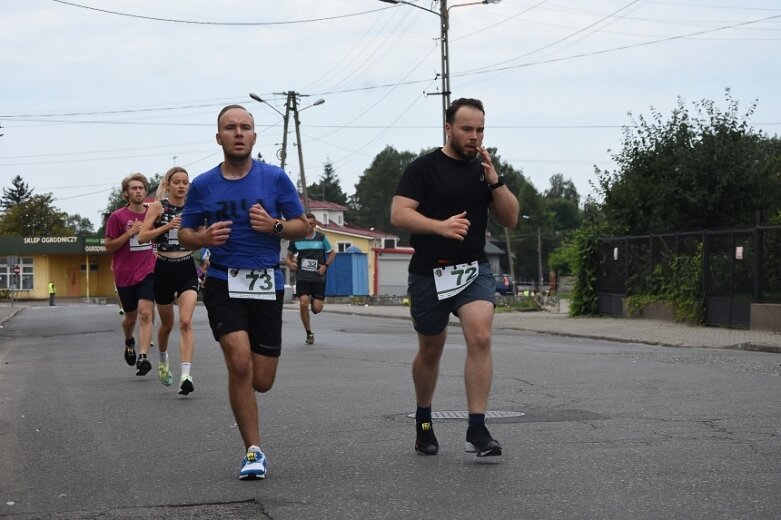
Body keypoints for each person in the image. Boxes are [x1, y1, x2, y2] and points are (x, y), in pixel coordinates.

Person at [179, 104, 309, 480]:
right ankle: (253, 451)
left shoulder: (275, 178)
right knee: (239, 363)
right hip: (223, 280)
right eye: (230, 127)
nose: (238, 132)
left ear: (254, 136)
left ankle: (245, 390)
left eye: (245, 127)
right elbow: (185, 233)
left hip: (266, 282)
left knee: (261, 380)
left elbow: (303, 226)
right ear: (218, 137)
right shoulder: (204, 184)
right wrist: (203, 238)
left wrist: (275, 226)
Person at [390, 98, 519, 458]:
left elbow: (510, 219)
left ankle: (477, 428)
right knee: (431, 349)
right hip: (429, 271)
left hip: (472, 268)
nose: (474, 137)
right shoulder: (423, 168)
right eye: (467, 129)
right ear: (448, 129)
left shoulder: (484, 171)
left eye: (480, 130)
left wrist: (496, 182)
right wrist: (440, 227)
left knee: (480, 335)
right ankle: (424, 421)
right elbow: (399, 214)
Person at [138, 166, 199, 395]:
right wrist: (167, 226)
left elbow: (201, 236)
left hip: (186, 267)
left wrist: (198, 236)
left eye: (185, 182)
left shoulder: (194, 207)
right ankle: (163, 361)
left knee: (185, 321)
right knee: (167, 325)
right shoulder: (158, 206)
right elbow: (142, 236)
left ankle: (186, 375)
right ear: (168, 184)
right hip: (164, 268)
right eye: (177, 182)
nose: (181, 186)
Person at [104, 173, 157, 376]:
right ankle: (129, 340)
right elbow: (109, 246)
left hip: (148, 271)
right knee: (130, 319)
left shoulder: (152, 214)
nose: (138, 191)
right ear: (126, 193)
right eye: (134, 188)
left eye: (141, 188)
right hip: (125, 275)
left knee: (146, 313)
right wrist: (130, 232)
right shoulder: (117, 217)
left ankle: (143, 357)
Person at [285, 213, 336, 345]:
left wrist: (325, 266)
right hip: (302, 276)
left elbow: (332, 253)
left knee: (317, 309)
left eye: (311, 224)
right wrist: (290, 264)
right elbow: (288, 257)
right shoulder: (296, 239)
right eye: (306, 223)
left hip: (318, 277)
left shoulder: (321, 238)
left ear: (314, 225)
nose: (308, 226)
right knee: (303, 303)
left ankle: (314, 299)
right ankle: (309, 333)